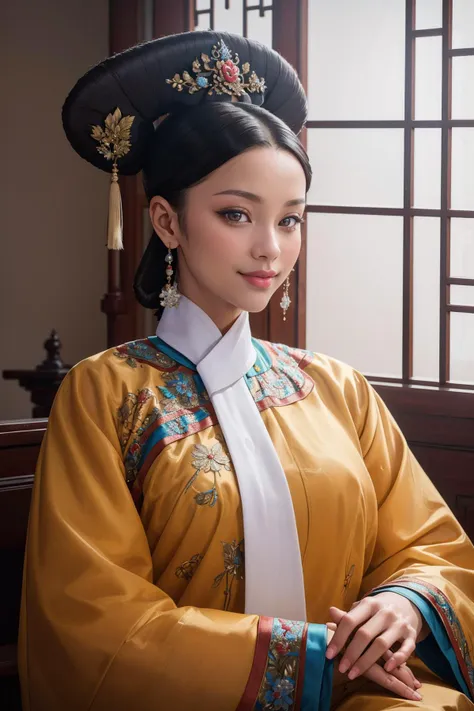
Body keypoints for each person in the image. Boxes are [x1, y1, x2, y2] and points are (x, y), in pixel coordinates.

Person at [19, 30, 474, 711]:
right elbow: (98, 620)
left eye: (290, 220)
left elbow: (433, 547)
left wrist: (402, 608)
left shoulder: (335, 388)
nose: (270, 248)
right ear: (167, 221)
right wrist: (317, 659)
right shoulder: (105, 393)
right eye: (236, 214)